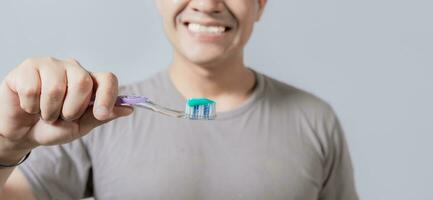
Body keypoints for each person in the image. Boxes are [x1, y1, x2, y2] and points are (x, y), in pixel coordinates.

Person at [0, 0, 358, 199]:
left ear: (260, 4)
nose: (206, 4)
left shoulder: (315, 120)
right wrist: (6, 146)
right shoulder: (98, 114)